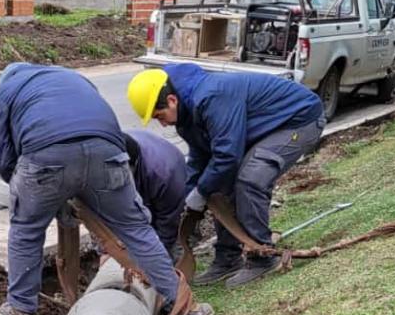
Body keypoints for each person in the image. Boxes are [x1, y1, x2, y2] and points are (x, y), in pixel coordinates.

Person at [0, 63, 213, 315]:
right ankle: (186, 310)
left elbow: (5, 160)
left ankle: (20, 310)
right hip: (108, 153)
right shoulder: (75, 78)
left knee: (26, 230)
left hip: (46, 155)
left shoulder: (3, 94)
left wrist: (38, 194)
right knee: (137, 230)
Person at [127, 63, 325, 288]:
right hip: (265, 128)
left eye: (160, 116)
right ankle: (227, 258)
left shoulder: (212, 97)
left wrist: (201, 191)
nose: (162, 124)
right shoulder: (185, 116)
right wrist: (188, 194)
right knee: (218, 184)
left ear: (172, 100)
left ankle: (261, 258)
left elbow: (228, 155)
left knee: (251, 178)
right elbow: (201, 157)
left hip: (299, 120)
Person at [122, 129, 186, 258]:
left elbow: (169, 220)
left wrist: (155, 258)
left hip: (169, 189)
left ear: (133, 165)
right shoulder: (111, 156)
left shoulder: (164, 175)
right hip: (145, 174)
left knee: (170, 245)